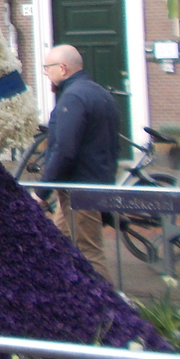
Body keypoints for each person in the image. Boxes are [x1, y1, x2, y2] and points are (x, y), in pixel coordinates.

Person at [40, 44, 120, 271]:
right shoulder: (100, 93)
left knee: (89, 252)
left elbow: (64, 150)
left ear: (63, 68)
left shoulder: (73, 99)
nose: (46, 72)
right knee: (58, 245)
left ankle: (107, 305)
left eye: (48, 67)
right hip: (95, 183)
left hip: (80, 190)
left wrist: (42, 192)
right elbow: (113, 146)